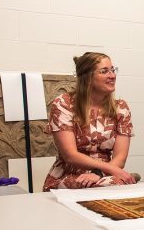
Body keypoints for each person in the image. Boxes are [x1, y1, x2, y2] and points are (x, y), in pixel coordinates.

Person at [43, 52, 136, 191]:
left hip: (106, 176)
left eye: (113, 70)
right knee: (116, 182)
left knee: (117, 182)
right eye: (104, 71)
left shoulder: (120, 108)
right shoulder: (64, 104)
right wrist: (103, 173)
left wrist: (98, 173)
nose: (112, 75)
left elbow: (120, 157)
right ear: (87, 78)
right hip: (69, 175)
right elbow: (71, 156)